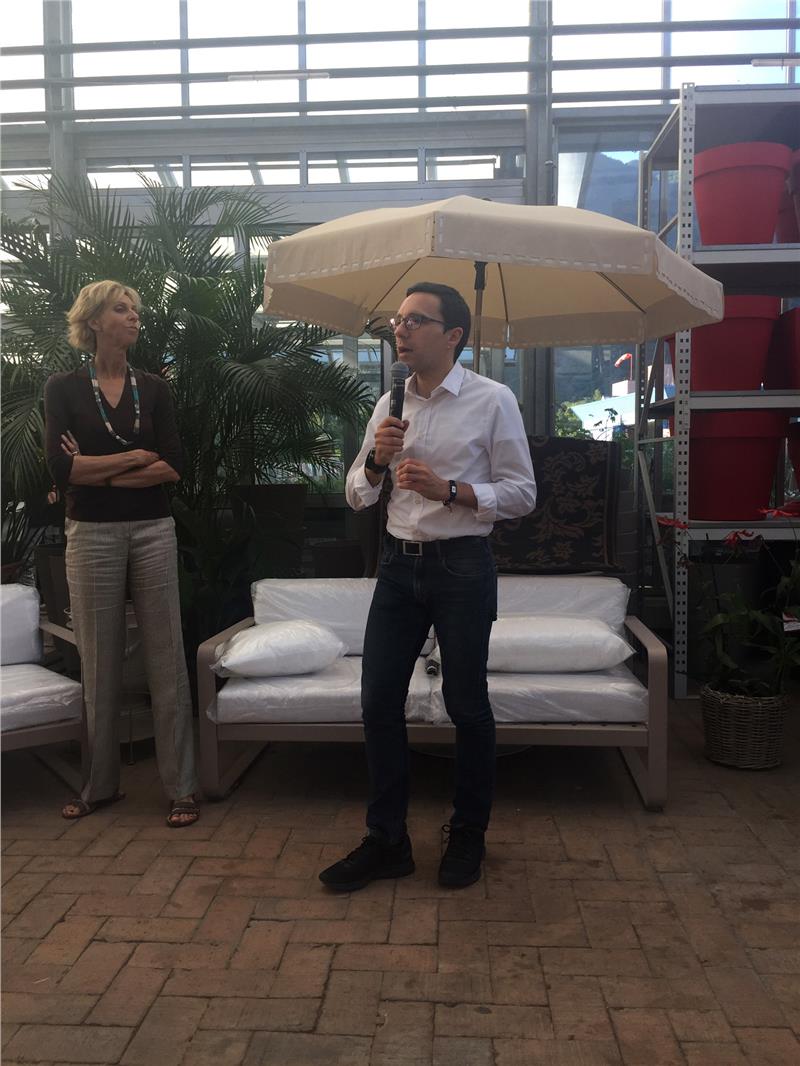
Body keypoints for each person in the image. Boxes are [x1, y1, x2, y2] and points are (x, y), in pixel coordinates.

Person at [319, 281, 536, 891]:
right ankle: (387, 840)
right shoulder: (389, 403)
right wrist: (376, 462)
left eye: (416, 320)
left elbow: (523, 493)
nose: (400, 329)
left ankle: (468, 834)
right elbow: (356, 495)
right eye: (398, 319)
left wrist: (451, 491)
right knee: (377, 703)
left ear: (454, 335)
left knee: (467, 705)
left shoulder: (493, 400)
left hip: (462, 566)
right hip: (397, 566)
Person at [44, 280, 199, 828]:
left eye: (136, 309)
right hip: (91, 534)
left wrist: (96, 469)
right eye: (121, 308)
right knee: (99, 660)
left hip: (153, 529)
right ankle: (100, 786)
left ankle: (182, 788)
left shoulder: (153, 388)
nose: (134, 316)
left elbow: (174, 465)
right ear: (93, 321)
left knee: (167, 656)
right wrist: (135, 458)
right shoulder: (63, 388)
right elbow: (61, 469)